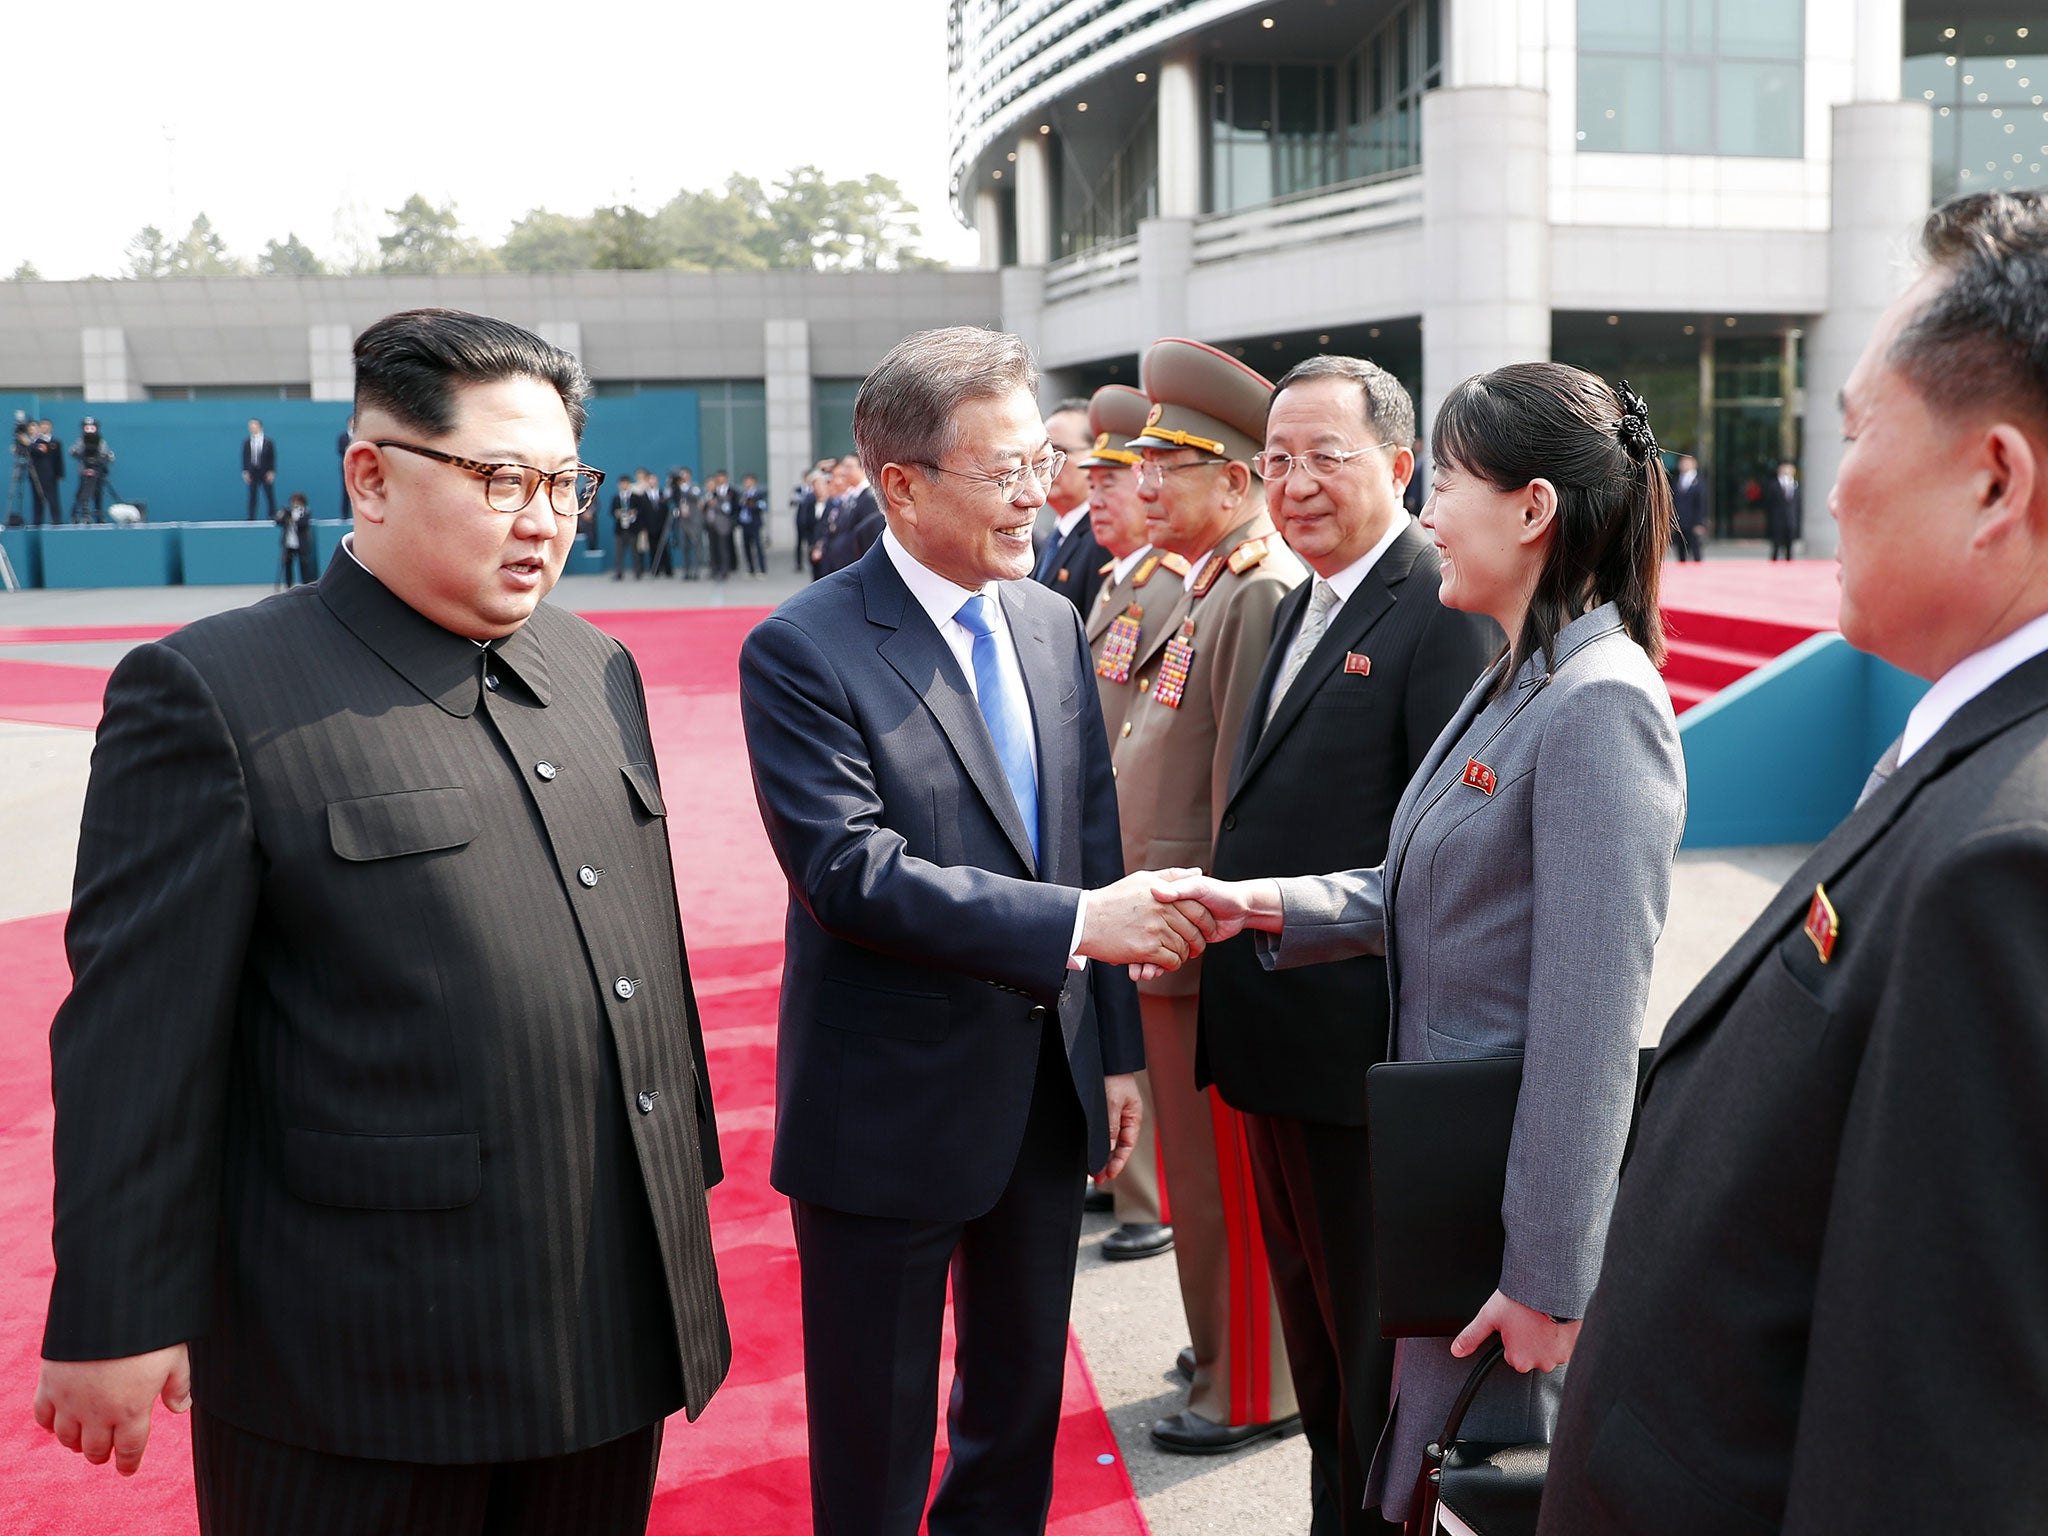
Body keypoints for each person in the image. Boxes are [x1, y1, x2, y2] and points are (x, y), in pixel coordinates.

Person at [32, 308, 730, 1535]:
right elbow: (136, 1036)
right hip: (357, 1359)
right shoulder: (216, 693)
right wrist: (117, 1309)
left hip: (604, 1322)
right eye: (502, 478)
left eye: (566, 481)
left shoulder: (594, 665)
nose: (544, 518)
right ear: (370, 474)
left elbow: (640, 976)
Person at [1542, 188, 2048, 1534]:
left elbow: (1935, 1439)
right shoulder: (1980, 763)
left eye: (1859, 433)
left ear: (1997, 480)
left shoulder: (2011, 862)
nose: (1831, 487)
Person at [1161, 362, 1685, 1524]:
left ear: (1532, 510)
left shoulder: (1599, 700)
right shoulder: (1518, 673)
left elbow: (1590, 1024)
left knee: (1443, 1483)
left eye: (1442, 483)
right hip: (1438, 1176)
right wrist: (1266, 906)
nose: (1429, 514)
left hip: (1487, 1205)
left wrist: (1547, 1278)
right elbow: (1417, 883)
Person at [737, 325, 1215, 1534]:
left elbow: (1088, 836)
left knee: (1014, 1416)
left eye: (1035, 468)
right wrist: (1077, 927)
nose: (1035, 495)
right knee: (878, 1437)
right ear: (900, 485)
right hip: (886, 1110)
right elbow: (846, 872)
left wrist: (1110, 1054)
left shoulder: (1046, 621)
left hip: (1040, 1094)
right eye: (1001, 471)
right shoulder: (805, 648)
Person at [1200, 355, 1498, 1531]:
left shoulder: (1436, 605)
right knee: (1320, 1362)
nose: (1294, 484)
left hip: (1362, 1067)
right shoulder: (1298, 599)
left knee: (1379, 1385)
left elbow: (1450, 862)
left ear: (1396, 462)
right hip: (1279, 1052)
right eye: (1275, 460)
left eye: (1325, 456)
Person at [1114, 337, 1306, 1454]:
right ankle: (1217, 1347)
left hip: (1200, 936)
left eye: (1167, 467)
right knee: (1192, 1175)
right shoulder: (1203, 585)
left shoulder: (1252, 588)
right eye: (1140, 464)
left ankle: (1251, 1385)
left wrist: (1198, 929)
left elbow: (1239, 794)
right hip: (1161, 925)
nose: (1142, 484)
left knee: (1224, 1182)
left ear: (1234, 482)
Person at [1078, 382, 1180, 1264]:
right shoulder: (1128, 578)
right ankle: (1120, 1174)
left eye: (1137, 473)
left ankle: (1143, 1191)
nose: (1121, 492)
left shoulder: (1178, 584)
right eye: (1112, 476)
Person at [1030, 398, 1106, 613]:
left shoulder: (1102, 539)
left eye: (1060, 452)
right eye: (1042, 455)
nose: (1047, 465)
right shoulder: (1055, 538)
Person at [816, 453, 883, 575]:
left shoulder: (868, 497)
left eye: (849, 467)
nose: (845, 471)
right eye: (844, 467)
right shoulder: (852, 495)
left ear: (863, 468)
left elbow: (870, 535)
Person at [70, 418, 113, 522]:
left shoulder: (100, 441)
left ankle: (98, 514)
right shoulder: (81, 441)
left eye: (92, 428)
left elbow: (106, 454)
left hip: (97, 471)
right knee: (83, 493)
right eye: (87, 428)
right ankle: (82, 514)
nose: (89, 430)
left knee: (98, 493)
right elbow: (74, 451)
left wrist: (104, 459)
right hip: (84, 470)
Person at [1670, 451, 1707, 560]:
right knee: (1681, 552)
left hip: (1693, 523)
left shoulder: (1699, 482)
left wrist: (1699, 523)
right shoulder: (1676, 481)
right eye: (1682, 463)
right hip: (1680, 522)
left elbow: (1701, 504)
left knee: (1696, 551)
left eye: (1687, 463)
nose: (1683, 465)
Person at [1763, 456, 1802, 559]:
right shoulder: (1773, 486)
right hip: (1777, 522)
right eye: (1785, 467)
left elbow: (1797, 506)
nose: (1787, 470)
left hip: (1791, 521)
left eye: (1790, 468)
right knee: (1775, 549)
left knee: (1790, 551)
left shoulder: (1796, 485)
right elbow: (1768, 505)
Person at [669, 467, 703, 579]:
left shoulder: (694, 486)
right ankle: (686, 571)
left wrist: (684, 487)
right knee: (685, 547)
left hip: (694, 520)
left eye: (685, 474)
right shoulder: (677, 489)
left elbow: (695, 496)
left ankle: (696, 571)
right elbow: (671, 498)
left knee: (696, 546)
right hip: (683, 521)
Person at [274, 491, 315, 586]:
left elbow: (304, 524)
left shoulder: (306, 512)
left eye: (298, 501)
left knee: (304, 564)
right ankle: (289, 584)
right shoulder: (287, 512)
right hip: (289, 543)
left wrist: (295, 519)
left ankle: (306, 584)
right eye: (294, 501)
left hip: (301, 543)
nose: (296, 503)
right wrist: (283, 515)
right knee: (288, 564)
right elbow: (278, 522)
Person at [242, 419, 278, 521]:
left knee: (269, 494)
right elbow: (245, 457)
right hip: (253, 471)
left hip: (265, 471)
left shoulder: (268, 442)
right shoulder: (247, 442)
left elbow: (272, 457)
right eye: (250, 427)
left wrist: (271, 471)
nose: (252, 429)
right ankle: (251, 516)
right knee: (252, 495)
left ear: (260, 427)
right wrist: (245, 471)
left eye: (254, 426)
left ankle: (272, 514)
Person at [736, 473, 767, 576]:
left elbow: (762, 506)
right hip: (745, 523)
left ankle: (762, 569)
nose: (747, 483)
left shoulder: (758, 494)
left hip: (755, 523)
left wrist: (751, 504)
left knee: (758, 546)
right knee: (746, 547)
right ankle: (751, 569)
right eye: (746, 481)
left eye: (749, 481)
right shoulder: (742, 494)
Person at [337, 420, 354, 522]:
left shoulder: (360, 435)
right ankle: (345, 515)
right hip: (346, 466)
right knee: (345, 490)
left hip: (358, 466)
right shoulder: (343, 436)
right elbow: (339, 450)